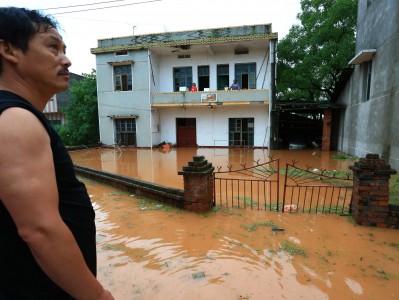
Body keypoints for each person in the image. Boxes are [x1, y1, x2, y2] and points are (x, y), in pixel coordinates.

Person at [0, 7, 114, 299]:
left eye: (64, 49)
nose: (66, 59)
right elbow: (39, 229)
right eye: (53, 47)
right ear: (8, 49)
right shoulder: (15, 118)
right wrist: (97, 295)